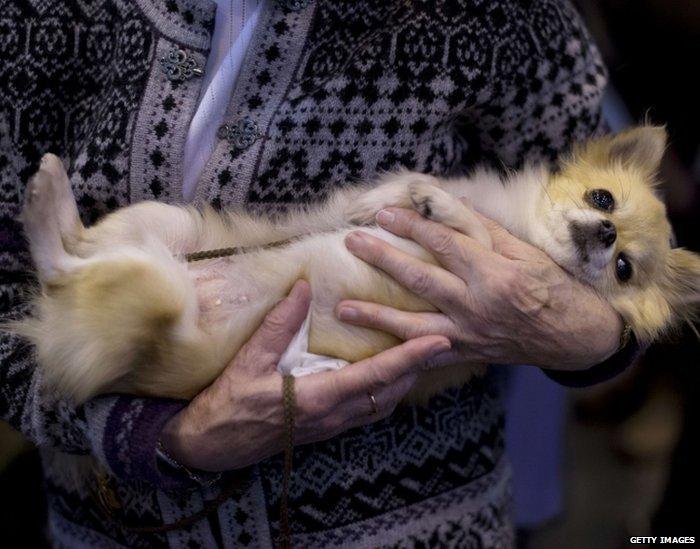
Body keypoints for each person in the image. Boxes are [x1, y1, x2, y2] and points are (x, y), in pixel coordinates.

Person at [0, 0, 638, 546]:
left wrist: (579, 329)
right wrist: (164, 437)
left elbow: (621, 241)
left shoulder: (500, 15)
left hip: (419, 522)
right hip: (116, 524)